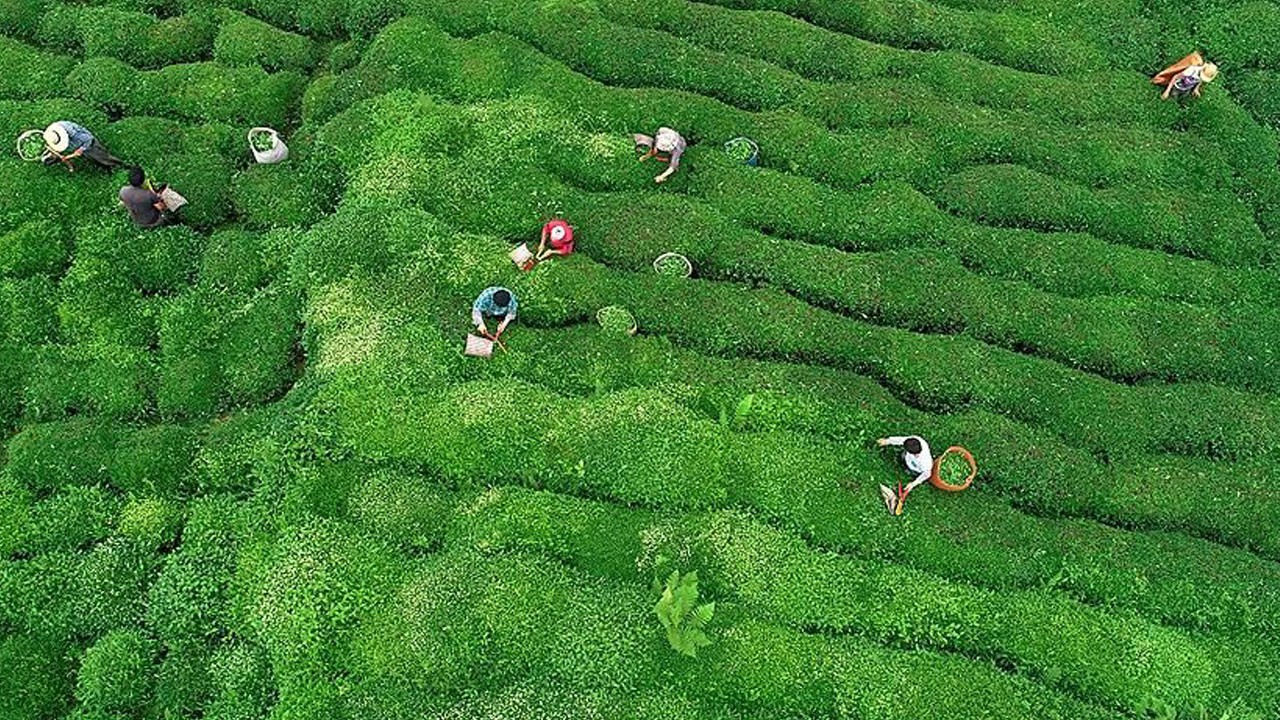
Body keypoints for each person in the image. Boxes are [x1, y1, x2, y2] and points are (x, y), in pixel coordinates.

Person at [876, 435, 933, 516]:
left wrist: (913, 484)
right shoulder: (916, 440)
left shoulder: (925, 463)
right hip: (908, 458)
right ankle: (903, 460)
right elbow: (901, 440)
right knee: (903, 457)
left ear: (914, 454)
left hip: (914, 468)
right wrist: (887, 441)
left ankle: (907, 469)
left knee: (909, 471)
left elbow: (927, 474)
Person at [42, 121, 123, 171]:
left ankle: (118, 166)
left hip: (89, 144)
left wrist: (79, 151)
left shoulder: (76, 135)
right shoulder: (54, 131)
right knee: (90, 157)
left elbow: (88, 139)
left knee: (101, 157)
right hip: (76, 144)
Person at [1152, 53, 1219, 100]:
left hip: (1187, 88)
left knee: (1183, 97)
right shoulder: (1192, 70)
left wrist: (1196, 89)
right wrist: (1167, 91)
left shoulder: (1202, 76)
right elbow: (1175, 76)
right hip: (1177, 86)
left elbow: (1199, 80)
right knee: (1173, 97)